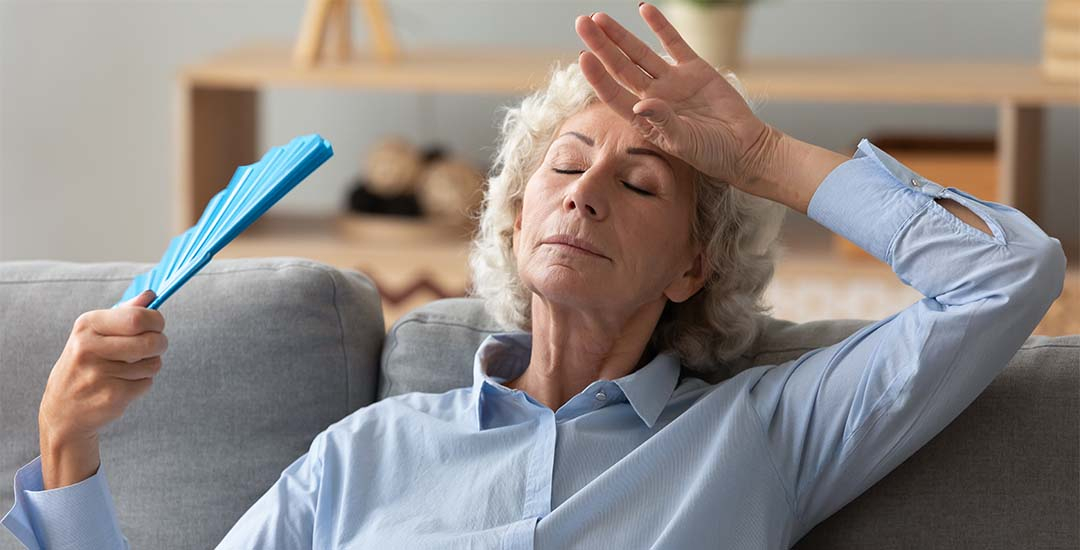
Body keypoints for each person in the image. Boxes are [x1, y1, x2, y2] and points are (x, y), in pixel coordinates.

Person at [3, 3, 1066, 549]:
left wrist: (760, 159)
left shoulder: (762, 434)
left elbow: (1007, 274)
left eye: (641, 183)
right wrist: (71, 444)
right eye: (565, 166)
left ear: (696, 263)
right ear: (518, 222)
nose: (586, 192)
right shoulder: (361, 457)